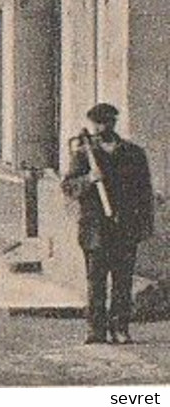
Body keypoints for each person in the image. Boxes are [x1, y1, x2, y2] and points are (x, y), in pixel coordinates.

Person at [61, 103, 154, 344]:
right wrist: (89, 179)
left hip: (125, 225)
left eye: (107, 122)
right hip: (95, 228)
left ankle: (120, 328)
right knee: (96, 281)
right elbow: (69, 187)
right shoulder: (84, 155)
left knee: (123, 281)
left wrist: (144, 225)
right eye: (97, 123)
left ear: (114, 123)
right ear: (92, 124)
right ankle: (96, 330)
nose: (102, 127)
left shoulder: (133, 153)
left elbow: (144, 193)